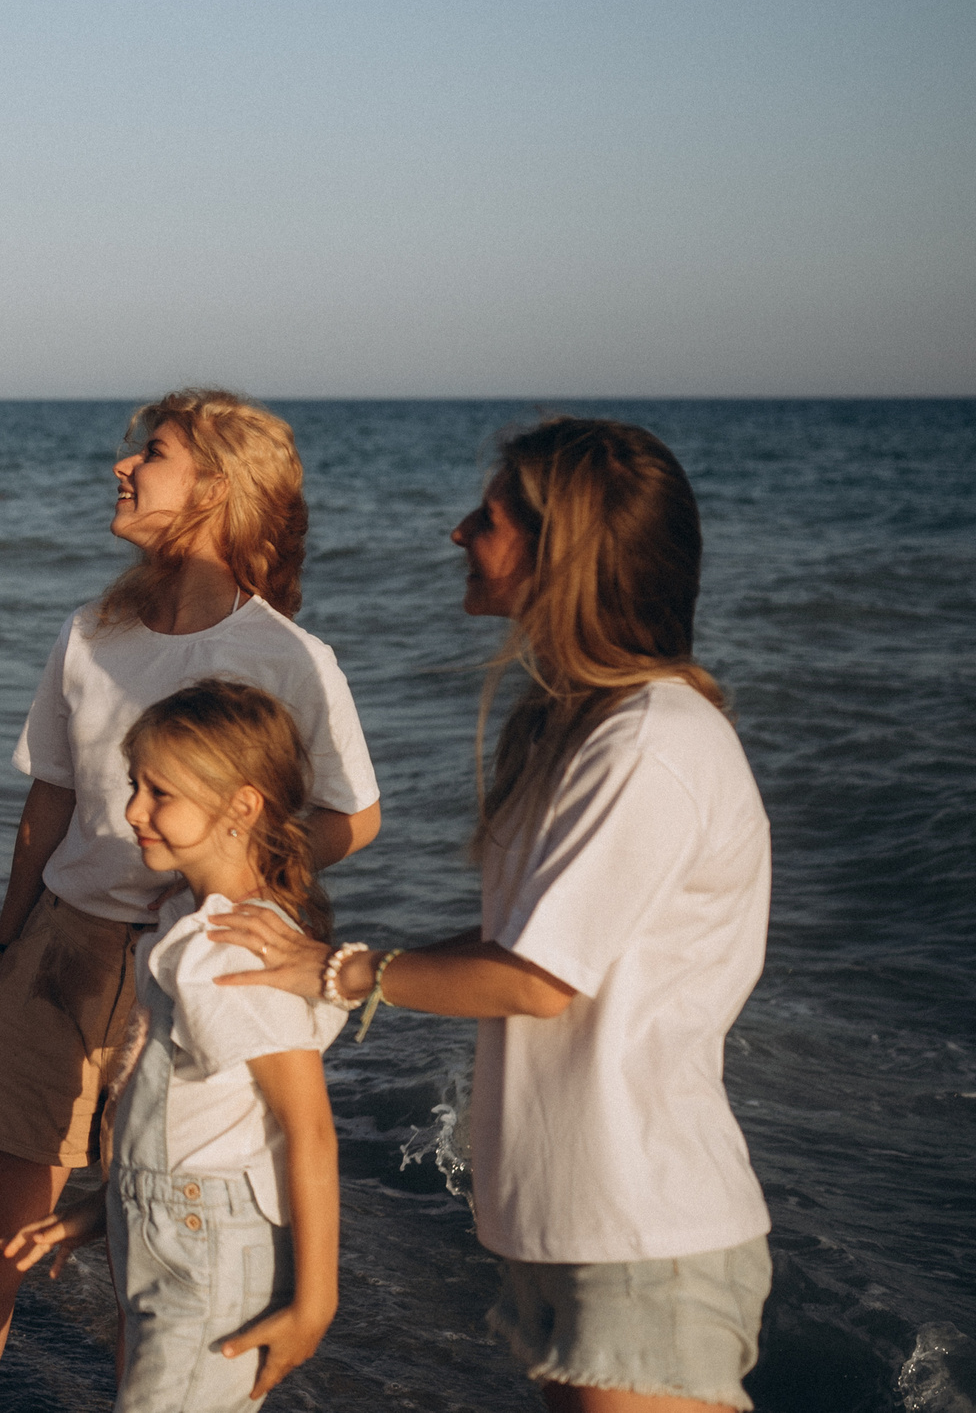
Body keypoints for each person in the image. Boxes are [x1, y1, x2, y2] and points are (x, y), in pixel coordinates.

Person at [213, 416, 773, 1413]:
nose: (459, 531)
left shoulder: (648, 742)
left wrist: (337, 970)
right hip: (578, 1222)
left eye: (491, 514)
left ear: (565, 552)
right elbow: (529, 948)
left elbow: (534, 979)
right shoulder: (580, 726)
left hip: (646, 1227)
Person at [0, 388, 382, 1413]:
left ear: (218, 488)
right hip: (59, 950)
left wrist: (228, 879)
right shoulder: (92, 632)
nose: (122, 469)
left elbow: (354, 815)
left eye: (152, 454)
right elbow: (48, 805)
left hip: (194, 967)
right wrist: (1, 945)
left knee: (153, 1250)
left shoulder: (290, 658)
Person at [2, 679, 343, 1410]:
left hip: (211, 1254)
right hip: (169, 1233)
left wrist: (315, 1304)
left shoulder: (240, 948)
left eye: (160, 793)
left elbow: (308, 1128)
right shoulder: (186, 921)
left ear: (241, 806)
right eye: (134, 785)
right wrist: (103, 1208)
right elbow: (193, 1113)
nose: (132, 812)